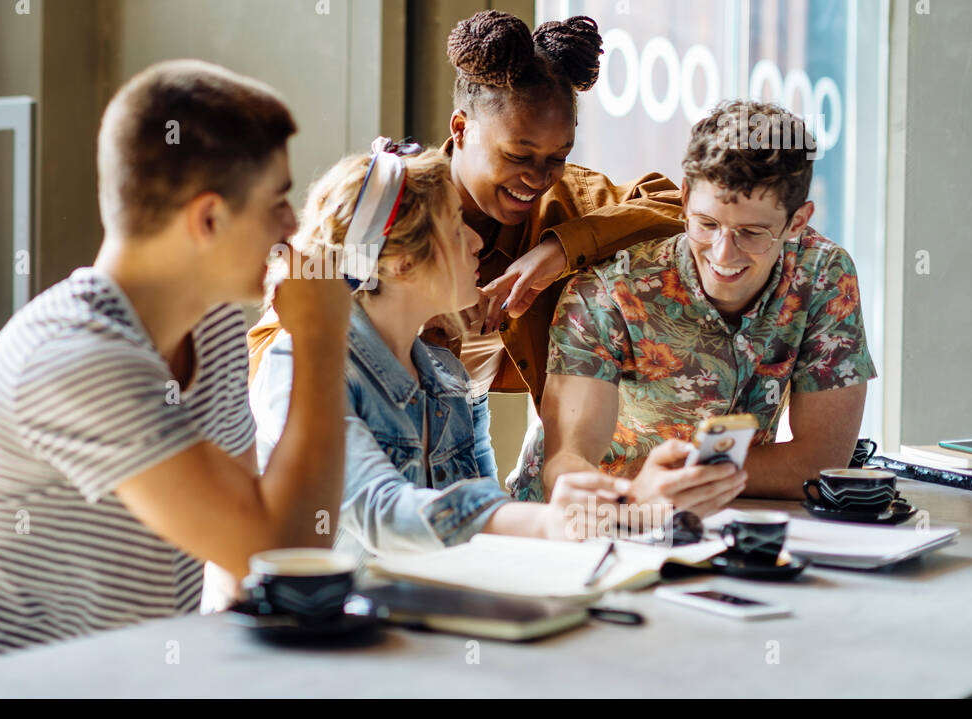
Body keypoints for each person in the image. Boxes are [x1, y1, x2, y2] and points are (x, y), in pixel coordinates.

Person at [0, 60, 351, 674]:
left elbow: (238, 560)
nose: (294, 229)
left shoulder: (220, 326)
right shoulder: (75, 359)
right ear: (208, 219)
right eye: (279, 202)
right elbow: (277, 548)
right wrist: (321, 335)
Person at [250, 10, 731, 515]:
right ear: (461, 128)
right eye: (519, 154)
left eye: (557, 156)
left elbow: (684, 209)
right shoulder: (395, 202)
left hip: (459, 443)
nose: (539, 176)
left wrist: (560, 249)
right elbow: (284, 348)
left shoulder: (564, 203)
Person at [249, 141, 718, 558]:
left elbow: (489, 527)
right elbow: (382, 512)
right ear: (404, 263)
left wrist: (629, 503)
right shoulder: (302, 365)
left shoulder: (447, 373)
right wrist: (552, 521)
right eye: (456, 228)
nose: (477, 241)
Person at [532, 99, 877, 505]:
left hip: (730, 521)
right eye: (707, 224)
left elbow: (819, 462)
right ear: (684, 200)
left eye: (752, 233)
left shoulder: (822, 275)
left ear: (797, 222)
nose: (723, 254)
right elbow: (566, 467)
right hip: (597, 526)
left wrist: (682, 477)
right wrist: (642, 492)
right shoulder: (609, 295)